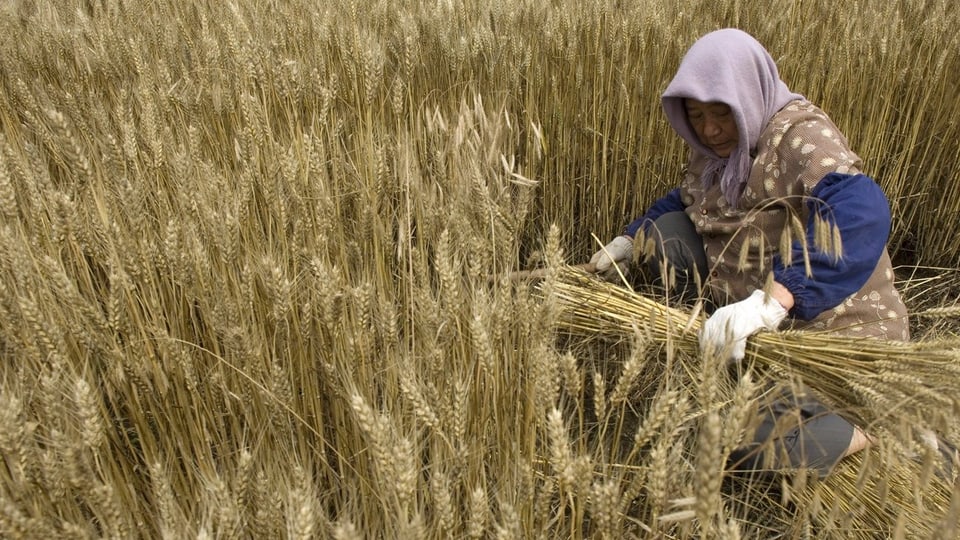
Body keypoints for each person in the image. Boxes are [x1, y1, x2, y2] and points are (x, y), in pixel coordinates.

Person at [589, 28, 911, 476]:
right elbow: (688, 201)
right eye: (696, 115)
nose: (710, 128)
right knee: (666, 233)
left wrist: (774, 300)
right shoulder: (713, 152)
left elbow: (862, 208)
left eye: (723, 112)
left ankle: (869, 425)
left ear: (749, 94)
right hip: (754, 312)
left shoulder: (800, 136)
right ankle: (732, 347)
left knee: (733, 435)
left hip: (832, 328)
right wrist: (631, 239)